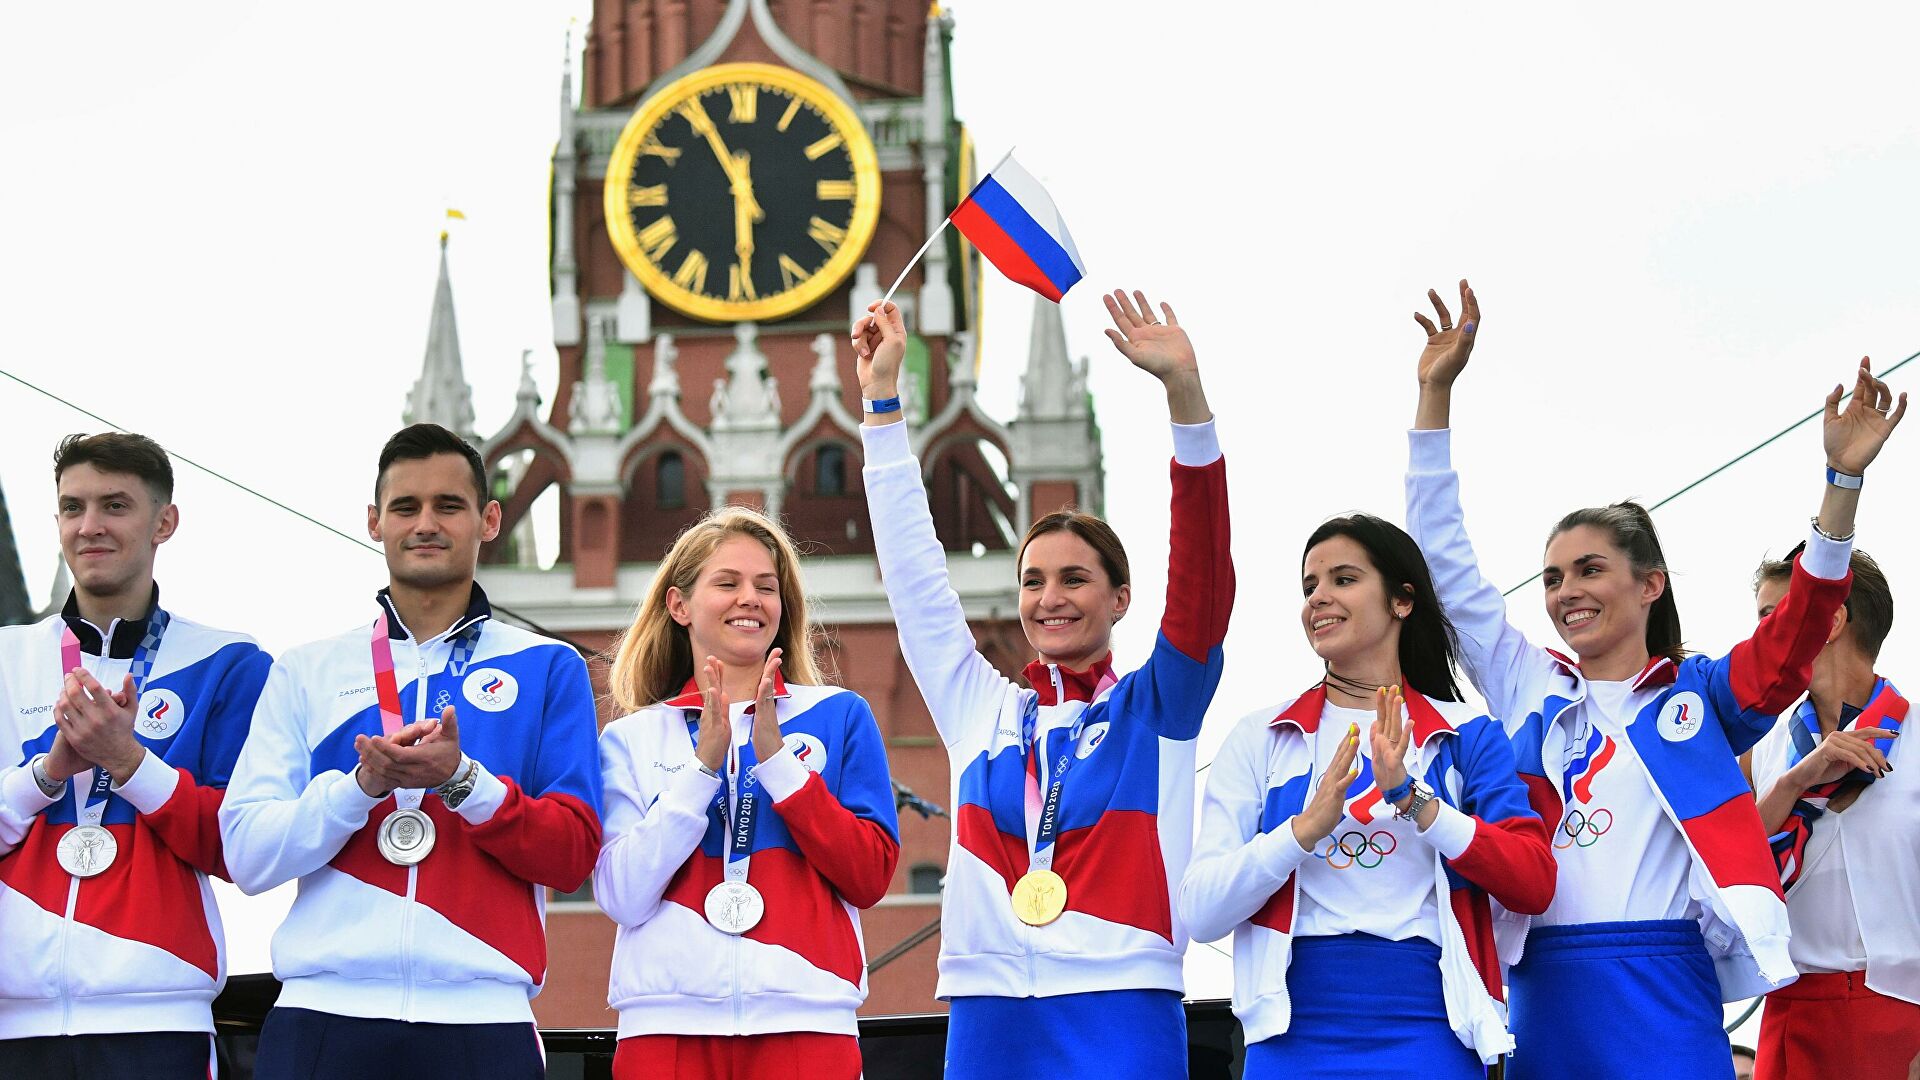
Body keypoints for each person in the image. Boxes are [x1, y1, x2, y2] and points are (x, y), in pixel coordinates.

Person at [1404, 280, 1903, 1080]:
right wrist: (1435, 398)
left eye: (1589, 569)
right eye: (1553, 577)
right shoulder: (1528, 684)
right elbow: (1444, 567)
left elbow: (1797, 629)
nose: (1566, 592)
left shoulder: (1699, 696)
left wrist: (1840, 485)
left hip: (1667, 987)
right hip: (1547, 986)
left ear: (1650, 585)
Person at [852, 291, 1233, 1079]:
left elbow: (1202, 584)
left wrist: (1186, 402)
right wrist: (882, 405)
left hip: (1121, 1001)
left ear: (1120, 599)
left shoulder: (1156, 707)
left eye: (1074, 579)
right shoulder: (982, 708)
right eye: (1032, 581)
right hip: (990, 1011)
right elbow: (915, 583)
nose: (1049, 598)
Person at [218, 423, 602, 1079]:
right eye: (405, 507)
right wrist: (357, 790)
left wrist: (464, 782)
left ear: (488, 520)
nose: (426, 524)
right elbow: (248, 856)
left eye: (448, 506)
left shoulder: (548, 666)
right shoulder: (307, 669)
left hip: (482, 1022)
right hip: (322, 1016)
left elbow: (572, 857)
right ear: (375, 521)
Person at [1182, 514, 1554, 1078]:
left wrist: (1415, 802)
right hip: (1291, 1035)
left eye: (1344, 579)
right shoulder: (1261, 736)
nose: (1318, 598)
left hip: (1433, 1029)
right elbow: (1201, 912)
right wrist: (1300, 832)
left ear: (1402, 601)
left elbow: (1533, 882)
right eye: (1310, 585)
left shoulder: (1467, 735)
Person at [594, 507, 900, 1080]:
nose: (750, 599)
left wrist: (780, 766)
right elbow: (621, 896)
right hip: (666, 1028)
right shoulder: (632, 738)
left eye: (766, 586)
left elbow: (869, 877)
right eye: (727, 583)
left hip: (807, 1020)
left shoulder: (839, 716)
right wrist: (700, 771)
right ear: (679, 605)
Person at [0, 433, 271, 1079]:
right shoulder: (7, 659)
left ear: (164, 522)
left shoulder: (228, 663)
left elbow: (242, 851)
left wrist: (129, 763)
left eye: (115, 505)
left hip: (159, 1020)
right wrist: (47, 774)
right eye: (73, 508)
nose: (89, 526)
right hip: (15, 1024)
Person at [1746, 547, 1919, 1079]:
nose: (1758, 638)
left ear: (1832, 619)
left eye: (1772, 616)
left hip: (1900, 1013)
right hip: (1787, 1013)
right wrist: (1793, 783)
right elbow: (1728, 871)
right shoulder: (1758, 751)